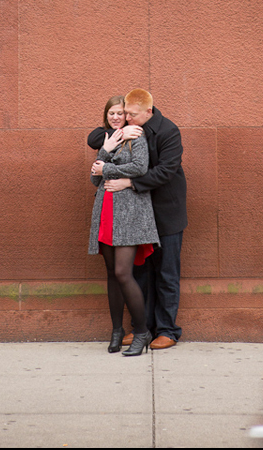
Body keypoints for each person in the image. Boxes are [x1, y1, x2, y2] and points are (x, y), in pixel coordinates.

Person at [87, 88, 188, 350]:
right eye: (125, 114)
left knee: (166, 273)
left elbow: (165, 171)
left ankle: (167, 330)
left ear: (148, 112)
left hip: (166, 212)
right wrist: (113, 135)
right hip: (138, 213)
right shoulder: (129, 130)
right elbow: (95, 136)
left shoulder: (168, 131)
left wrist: (129, 182)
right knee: (140, 272)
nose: (127, 119)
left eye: (131, 115)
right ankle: (143, 327)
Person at [88, 95, 160, 356]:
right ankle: (117, 330)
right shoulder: (107, 139)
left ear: (127, 115)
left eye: (120, 113)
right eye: (111, 114)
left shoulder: (136, 136)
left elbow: (141, 167)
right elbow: (95, 177)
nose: (116, 117)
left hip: (130, 213)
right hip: (105, 210)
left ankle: (141, 332)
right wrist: (105, 153)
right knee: (111, 274)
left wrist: (106, 168)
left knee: (122, 273)